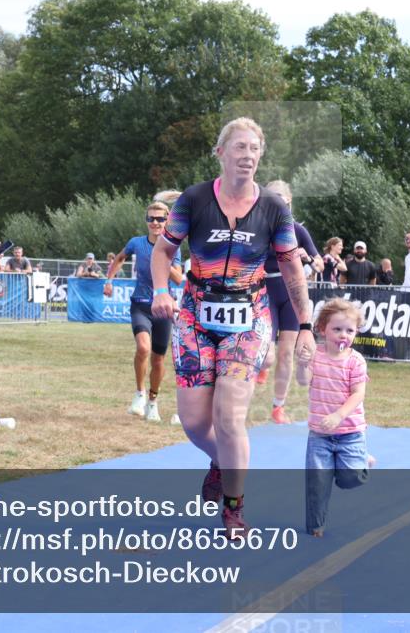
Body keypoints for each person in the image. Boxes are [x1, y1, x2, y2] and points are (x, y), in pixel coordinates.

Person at [149, 117, 314, 537]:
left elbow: (292, 268)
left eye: (254, 149)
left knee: (229, 416)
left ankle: (234, 508)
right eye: (239, 147)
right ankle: (222, 462)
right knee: (193, 421)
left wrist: (306, 324)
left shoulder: (274, 209)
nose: (247, 155)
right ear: (221, 153)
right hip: (195, 314)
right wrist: (160, 291)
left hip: (248, 317)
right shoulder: (194, 199)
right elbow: (163, 251)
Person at [295, 298, 372, 538]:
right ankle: (315, 527)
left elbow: (358, 394)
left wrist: (339, 415)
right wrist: (302, 365)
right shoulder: (316, 355)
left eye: (349, 331)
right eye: (337, 329)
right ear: (322, 329)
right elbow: (303, 381)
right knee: (317, 484)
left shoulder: (355, 361)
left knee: (351, 478)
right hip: (320, 435)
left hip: (350, 432)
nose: (343, 335)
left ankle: (361, 460)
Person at [104, 200, 184, 424]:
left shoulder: (173, 247)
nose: (155, 222)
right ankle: (139, 394)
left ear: (167, 221)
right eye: (151, 218)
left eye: (160, 219)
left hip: (163, 308)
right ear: (146, 221)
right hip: (140, 304)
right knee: (143, 348)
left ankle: (152, 402)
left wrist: (162, 257)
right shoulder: (136, 243)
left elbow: (178, 279)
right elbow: (120, 258)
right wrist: (109, 280)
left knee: (158, 360)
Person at [256, 180, 323, 425]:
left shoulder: (297, 230)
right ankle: (261, 368)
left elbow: (319, 263)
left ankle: (278, 407)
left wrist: (310, 259)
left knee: (286, 355)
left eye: (281, 201)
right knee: (268, 356)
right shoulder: (258, 228)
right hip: (265, 291)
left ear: (289, 202)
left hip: (292, 294)